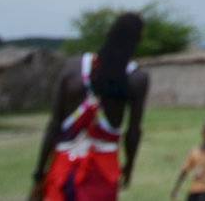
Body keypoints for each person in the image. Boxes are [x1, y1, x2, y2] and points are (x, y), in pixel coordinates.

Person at [30, 11, 150, 201]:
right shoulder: (137, 79)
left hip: (64, 169)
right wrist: (129, 167)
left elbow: (54, 124)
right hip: (103, 173)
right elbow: (133, 131)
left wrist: (39, 173)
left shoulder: (72, 68)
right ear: (138, 39)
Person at [173, 116, 205, 201]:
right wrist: (176, 189)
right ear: (203, 131)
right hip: (194, 188)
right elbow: (185, 170)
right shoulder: (195, 151)